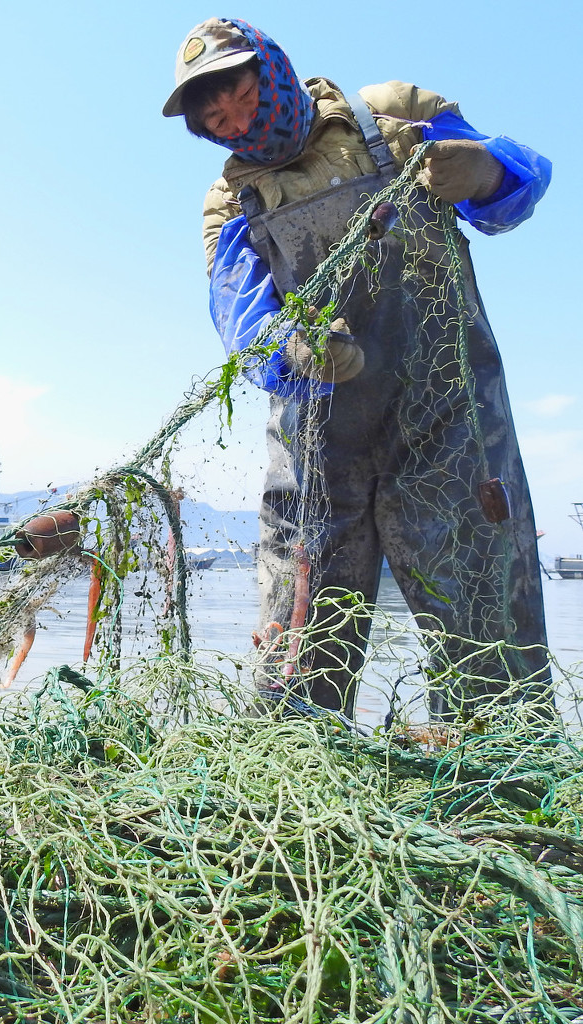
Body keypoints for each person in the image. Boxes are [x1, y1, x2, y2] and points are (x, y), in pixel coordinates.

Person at [163, 18, 555, 721]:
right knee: (300, 640)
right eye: (217, 121)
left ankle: (506, 797)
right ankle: (293, 795)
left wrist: (487, 170)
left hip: (449, 427)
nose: (238, 126)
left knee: (481, 621)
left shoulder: (393, 114)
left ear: (274, 71)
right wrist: (294, 351)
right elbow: (242, 319)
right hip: (318, 448)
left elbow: (524, 185)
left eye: (243, 100)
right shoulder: (231, 202)